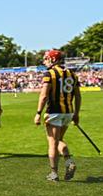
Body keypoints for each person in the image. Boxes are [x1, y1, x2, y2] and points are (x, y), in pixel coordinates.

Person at [34, 49, 81, 182]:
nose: (44, 61)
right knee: (59, 139)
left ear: (53, 60)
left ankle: (54, 173)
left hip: (54, 112)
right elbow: (78, 96)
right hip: (68, 112)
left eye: (46, 59)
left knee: (52, 143)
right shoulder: (72, 74)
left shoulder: (49, 74)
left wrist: (38, 113)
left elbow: (43, 96)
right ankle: (68, 161)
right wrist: (76, 114)